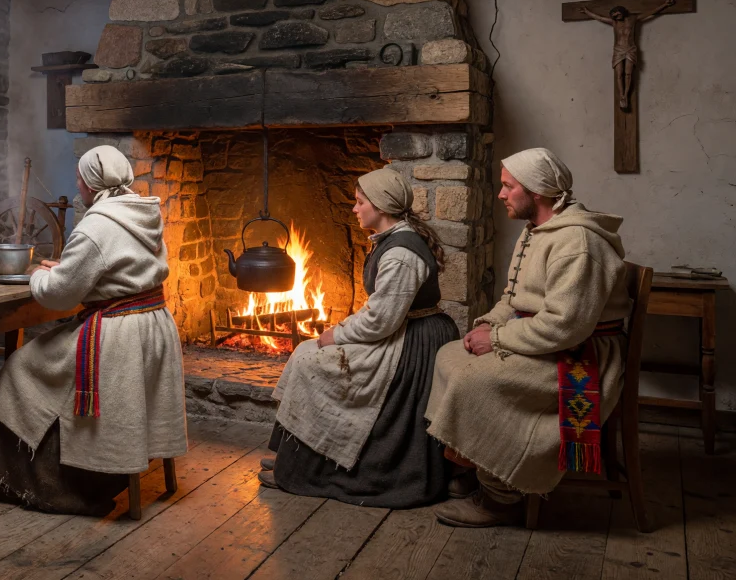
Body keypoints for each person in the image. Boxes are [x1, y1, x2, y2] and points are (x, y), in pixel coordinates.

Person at [0, 145, 187, 516]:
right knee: (39, 359)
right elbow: (121, 268)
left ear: (91, 183)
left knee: (22, 366)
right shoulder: (143, 211)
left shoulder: (96, 224)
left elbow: (59, 295)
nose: (77, 183)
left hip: (116, 336)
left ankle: (47, 482)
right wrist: (70, 267)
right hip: (152, 327)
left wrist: (42, 275)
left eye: (80, 177)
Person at [428, 148, 631, 527]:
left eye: (508, 186)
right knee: (449, 355)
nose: (501, 194)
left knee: (478, 380)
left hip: (581, 355)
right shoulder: (536, 231)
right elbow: (515, 298)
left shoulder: (578, 245)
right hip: (547, 340)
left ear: (537, 192)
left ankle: (500, 497)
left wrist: (499, 339)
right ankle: (477, 461)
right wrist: (486, 325)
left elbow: (565, 326)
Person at [261, 168, 460, 508]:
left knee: (312, 360)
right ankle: (298, 460)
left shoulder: (401, 253)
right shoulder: (392, 240)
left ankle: (312, 468)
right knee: (305, 354)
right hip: (402, 329)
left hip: (412, 341)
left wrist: (335, 334)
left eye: (359, 202)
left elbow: (381, 319)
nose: (354, 209)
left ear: (381, 207)